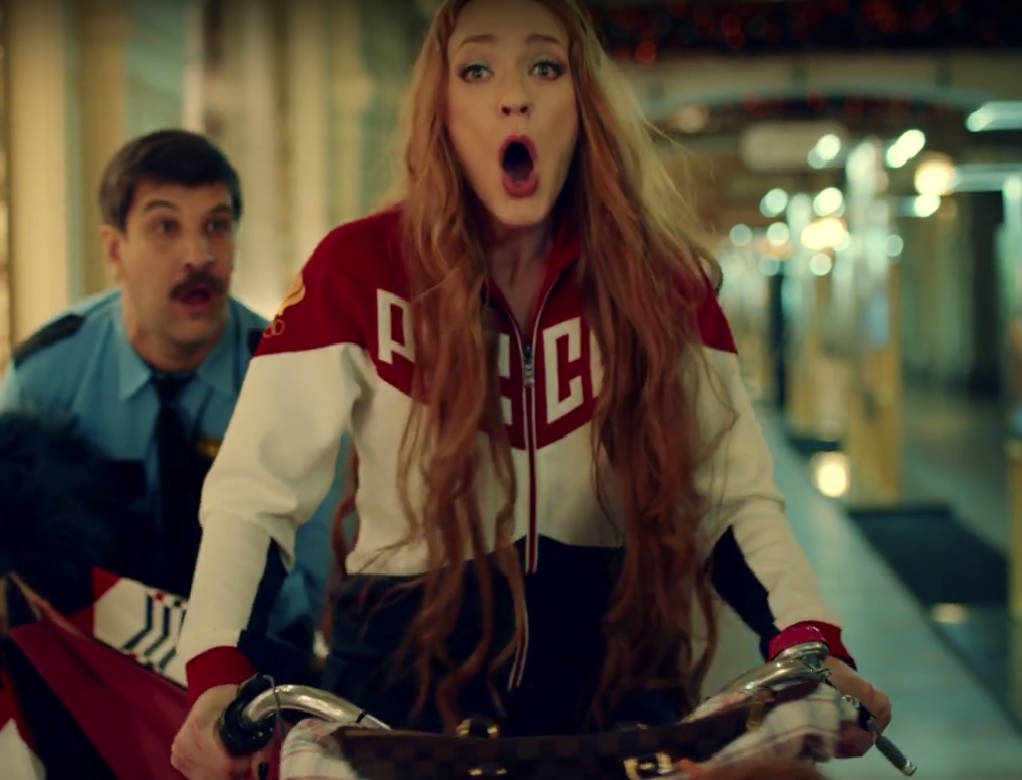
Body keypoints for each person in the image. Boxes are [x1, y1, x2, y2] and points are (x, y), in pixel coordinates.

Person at [170, 1, 893, 777]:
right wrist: (215, 670)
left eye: (545, 67)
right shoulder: (357, 269)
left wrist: (811, 643)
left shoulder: (664, 283)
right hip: (400, 707)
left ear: (583, 105)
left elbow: (733, 499)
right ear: (442, 110)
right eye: (477, 69)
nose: (513, 96)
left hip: (615, 700)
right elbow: (256, 493)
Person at [0, 129, 340, 650]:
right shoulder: (46, 377)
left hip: (252, 659)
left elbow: (318, 588)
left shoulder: (289, 377)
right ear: (115, 250)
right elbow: (14, 574)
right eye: (165, 227)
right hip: (84, 660)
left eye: (216, 226)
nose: (198, 256)